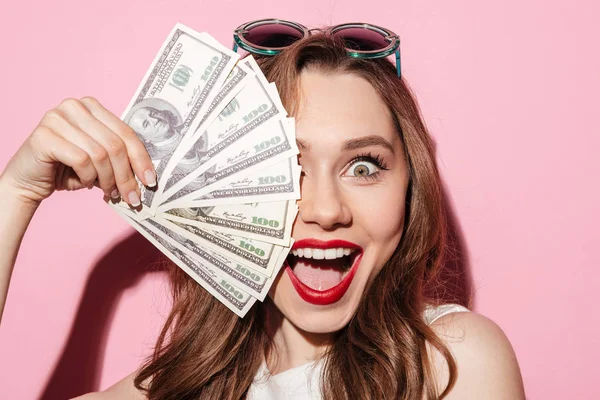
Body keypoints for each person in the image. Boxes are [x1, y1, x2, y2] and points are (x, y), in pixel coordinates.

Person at [0, 22, 526, 399]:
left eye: (364, 166)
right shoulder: (178, 389)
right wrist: (16, 191)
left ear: (412, 188)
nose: (324, 210)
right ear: (226, 186)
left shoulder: (451, 363)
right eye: (285, 166)